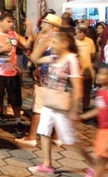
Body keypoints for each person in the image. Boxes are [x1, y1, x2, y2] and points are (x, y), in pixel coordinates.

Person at [28, 32, 83, 175]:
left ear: (64, 43)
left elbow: (78, 87)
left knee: (71, 140)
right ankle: (47, 164)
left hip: (61, 106)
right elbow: (34, 59)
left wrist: (74, 110)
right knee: (44, 132)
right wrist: (42, 43)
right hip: (49, 102)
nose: (52, 45)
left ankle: (95, 165)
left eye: (55, 42)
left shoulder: (71, 59)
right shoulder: (54, 58)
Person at [15, 14, 62, 146]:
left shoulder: (46, 39)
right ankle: (57, 137)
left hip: (44, 78)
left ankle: (31, 137)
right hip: (59, 78)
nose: (41, 25)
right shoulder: (64, 39)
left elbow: (33, 58)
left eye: (44, 23)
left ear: (51, 26)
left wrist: (42, 59)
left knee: (38, 109)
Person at [0, 12, 33, 135]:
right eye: (8, 21)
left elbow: (27, 45)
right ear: (0, 22)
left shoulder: (14, 34)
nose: (11, 24)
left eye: (12, 22)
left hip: (13, 73)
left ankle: (17, 121)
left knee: (15, 100)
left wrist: (30, 30)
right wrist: (0, 50)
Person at [79, 66, 108, 177]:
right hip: (102, 130)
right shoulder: (101, 92)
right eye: (98, 73)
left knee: (102, 158)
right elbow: (98, 109)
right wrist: (83, 116)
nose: (98, 76)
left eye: (102, 74)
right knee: (102, 156)